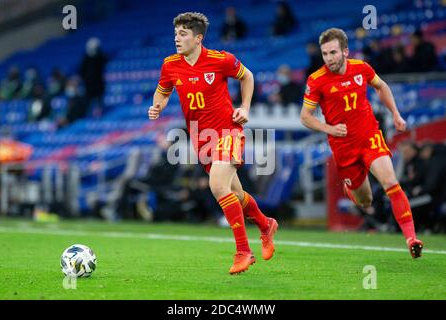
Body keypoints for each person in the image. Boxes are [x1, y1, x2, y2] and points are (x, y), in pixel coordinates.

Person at [148, 12, 278, 274]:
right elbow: (163, 91)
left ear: (198, 38)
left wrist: (245, 107)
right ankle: (265, 225)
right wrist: (158, 106)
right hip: (201, 139)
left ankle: (243, 252)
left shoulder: (220, 60)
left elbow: (248, 77)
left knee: (217, 185)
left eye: (183, 34)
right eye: (175, 34)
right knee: (236, 195)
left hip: (227, 132)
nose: (177, 38)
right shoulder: (170, 65)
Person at [300, 28, 423, 258]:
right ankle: (351, 188)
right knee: (366, 200)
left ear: (345, 51)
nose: (329, 58)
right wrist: (329, 129)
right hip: (344, 147)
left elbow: (381, 86)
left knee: (390, 182)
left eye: (333, 52)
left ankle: (411, 238)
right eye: (325, 54)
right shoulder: (316, 80)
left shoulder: (361, 68)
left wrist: (395, 114)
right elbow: (305, 116)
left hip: (369, 136)